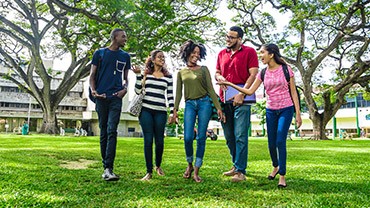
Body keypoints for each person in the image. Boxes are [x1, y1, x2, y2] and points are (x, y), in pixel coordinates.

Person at [218, 43, 302, 188]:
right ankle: (275, 166)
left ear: (271, 54)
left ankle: (282, 175)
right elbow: (249, 92)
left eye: (262, 53)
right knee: (271, 143)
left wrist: (298, 114)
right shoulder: (263, 73)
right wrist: (230, 84)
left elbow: (294, 92)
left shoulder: (286, 69)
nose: (260, 56)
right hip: (270, 110)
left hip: (286, 108)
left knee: (280, 140)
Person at [173, 40, 224, 183]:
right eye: (194, 52)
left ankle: (196, 170)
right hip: (189, 104)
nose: (196, 55)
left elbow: (211, 90)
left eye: (198, 53)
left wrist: (218, 108)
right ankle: (189, 164)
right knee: (188, 137)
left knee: (201, 137)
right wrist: (174, 111)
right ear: (187, 53)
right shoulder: (181, 72)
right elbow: (178, 94)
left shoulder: (204, 69)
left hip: (204, 104)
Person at [215, 26, 259, 182]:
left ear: (240, 39)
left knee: (240, 135)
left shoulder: (250, 52)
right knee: (229, 136)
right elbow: (217, 72)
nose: (228, 39)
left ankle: (240, 171)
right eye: (227, 36)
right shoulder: (221, 53)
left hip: (243, 97)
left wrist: (242, 93)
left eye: (232, 37)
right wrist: (219, 77)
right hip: (225, 98)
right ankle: (235, 164)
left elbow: (253, 74)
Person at [89, 28, 130, 181]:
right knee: (104, 131)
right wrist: (94, 91)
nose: (125, 39)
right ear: (114, 37)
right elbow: (92, 76)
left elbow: (126, 78)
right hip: (101, 97)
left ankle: (108, 168)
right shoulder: (99, 53)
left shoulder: (125, 56)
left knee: (112, 130)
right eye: (123, 36)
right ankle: (105, 167)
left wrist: (124, 89)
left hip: (116, 98)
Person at [132, 50, 174, 181]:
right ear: (153, 59)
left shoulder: (168, 76)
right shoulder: (146, 74)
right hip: (146, 111)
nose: (162, 59)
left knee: (160, 141)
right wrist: (138, 75)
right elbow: (138, 90)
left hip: (160, 111)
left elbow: (170, 96)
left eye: (163, 57)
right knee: (148, 140)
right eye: (159, 57)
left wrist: (172, 112)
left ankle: (158, 165)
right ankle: (148, 171)